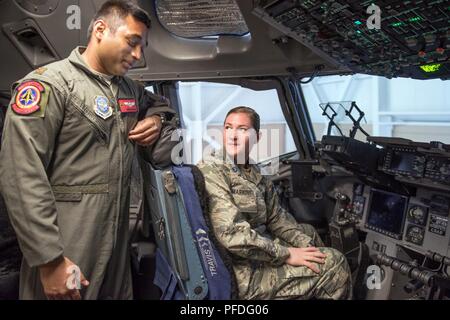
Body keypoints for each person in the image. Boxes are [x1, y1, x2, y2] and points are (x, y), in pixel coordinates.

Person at [0, 0, 174, 300]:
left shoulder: (128, 89)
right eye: (132, 43)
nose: (137, 54)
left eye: (142, 47)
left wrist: (157, 119)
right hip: (68, 242)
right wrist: (49, 260)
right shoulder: (50, 85)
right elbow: (21, 175)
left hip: (119, 245)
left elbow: (160, 106)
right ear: (100, 30)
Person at [198, 106, 352, 299]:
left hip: (254, 253)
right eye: (228, 127)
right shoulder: (212, 170)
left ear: (257, 136)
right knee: (335, 263)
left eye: (242, 129)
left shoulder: (253, 171)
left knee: (308, 233)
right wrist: (287, 254)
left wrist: (307, 247)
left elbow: (277, 218)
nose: (232, 135)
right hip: (239, 272)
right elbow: (232, 236)